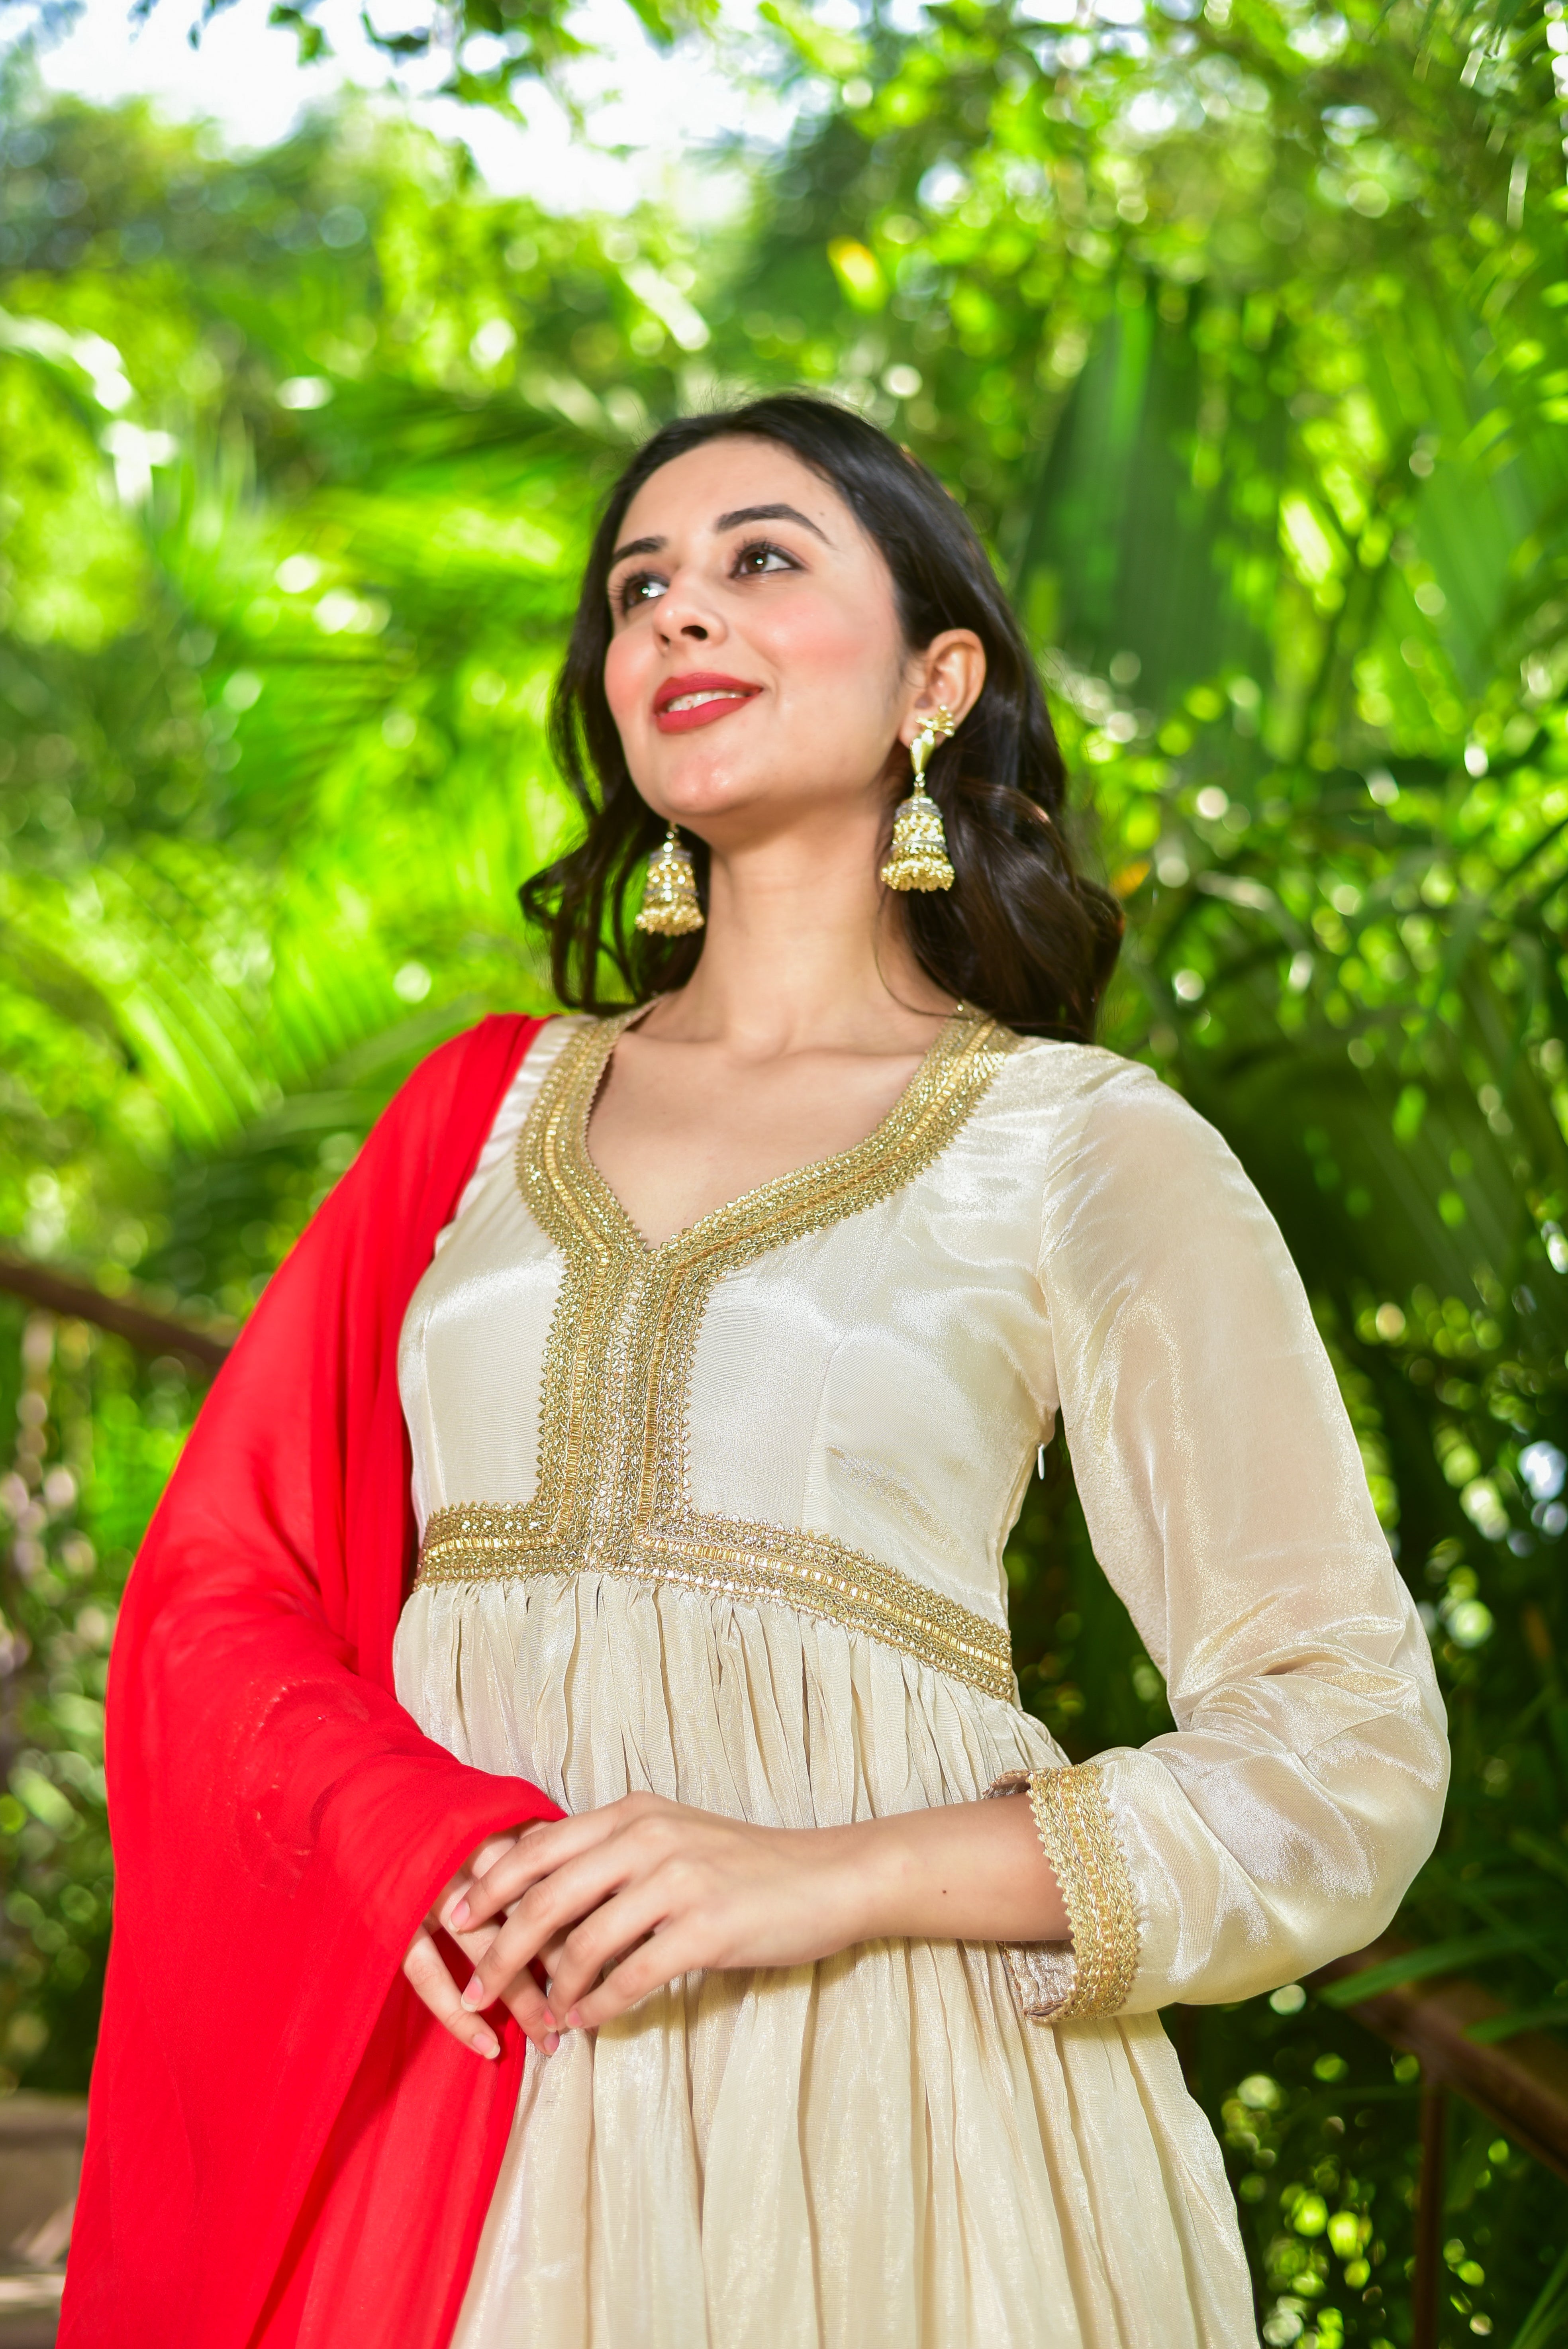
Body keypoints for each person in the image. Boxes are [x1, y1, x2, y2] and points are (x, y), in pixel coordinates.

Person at [63, 394, 1448, 2349]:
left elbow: (1345, 1752)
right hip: (473, 2061)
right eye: (640, 588)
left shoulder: (1082, 1145)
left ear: (935, 678)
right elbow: (225, 1586)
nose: (676, 619)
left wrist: (820, 1877)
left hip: (895, 2116)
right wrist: (414, 1835)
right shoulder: (471, 1121)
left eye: (760, 561)